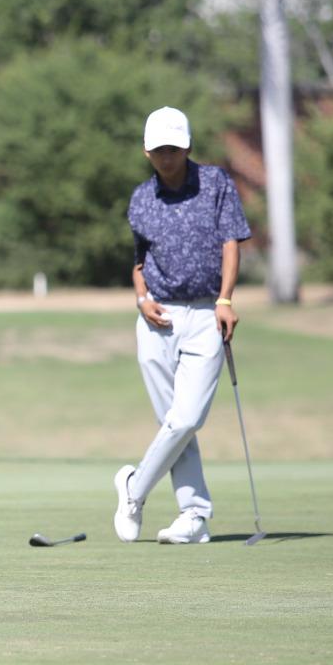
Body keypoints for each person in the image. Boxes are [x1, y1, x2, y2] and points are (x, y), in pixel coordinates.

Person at [113, 106, 252, 545]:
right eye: (158, 150)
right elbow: (139, 262)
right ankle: (194, 516)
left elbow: (231, 241)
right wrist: (141, 300)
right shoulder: (141, 198)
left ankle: (133, 489)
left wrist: (226, 298)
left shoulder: (214, 184)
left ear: (187, 146)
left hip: (206, 313)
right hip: (157, 320)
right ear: (146, 151)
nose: (166, 157)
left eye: (173, 148)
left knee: (186, 419)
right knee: (172, 423)